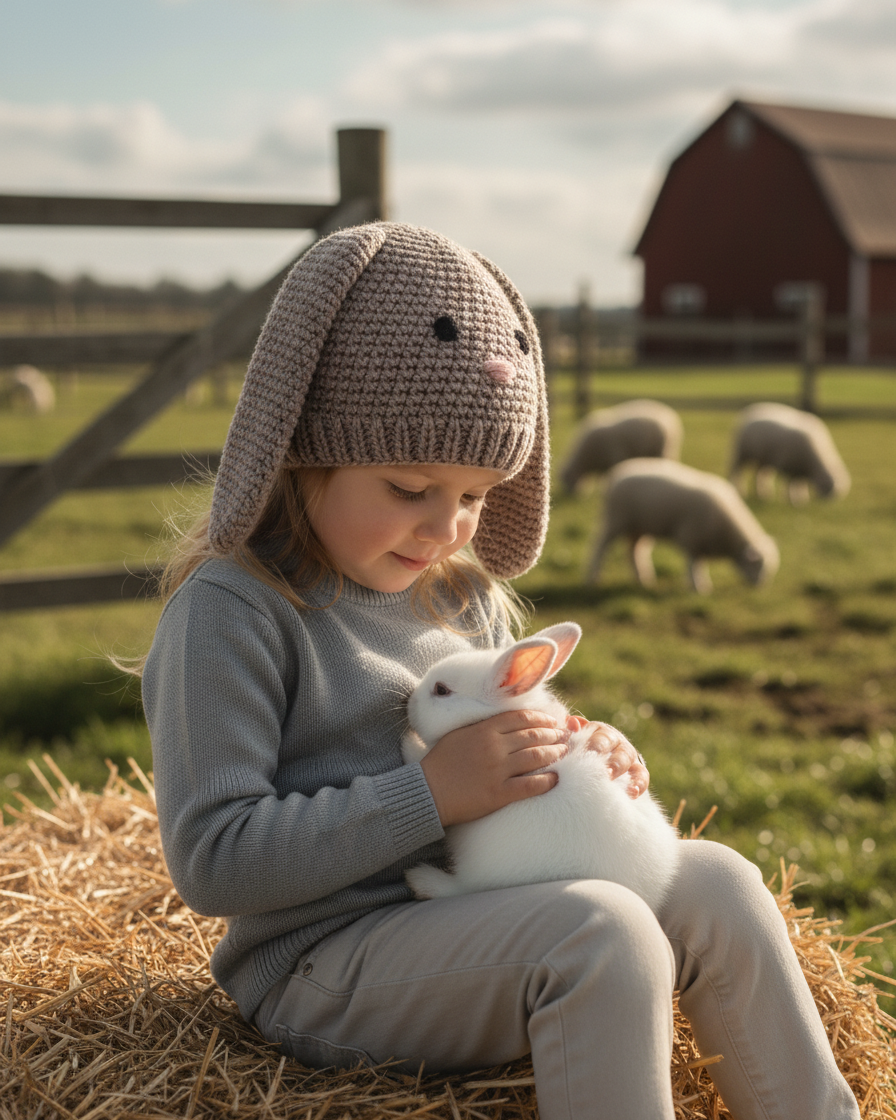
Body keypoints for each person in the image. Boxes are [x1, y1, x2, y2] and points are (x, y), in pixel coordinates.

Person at [141, 222, 859, 1120]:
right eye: (411, 489)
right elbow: (214, 862)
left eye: (476, 497)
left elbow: (505, 749)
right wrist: (432, 795)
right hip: (327, 962)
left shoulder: (457, 596)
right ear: (302, 447)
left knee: (714, 880)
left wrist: (578, 763)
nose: (446, 528)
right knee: (606, 938)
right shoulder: (234, 612)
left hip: (481, 908)